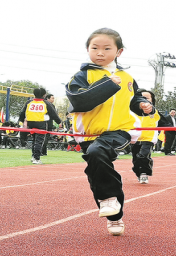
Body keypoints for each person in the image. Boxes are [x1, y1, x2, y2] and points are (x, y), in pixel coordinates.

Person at [66, 28, 153, 236]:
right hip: (89, 133)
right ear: (87, 49)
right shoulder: (82, 75)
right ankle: (115, 215)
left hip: (119, 130)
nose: (100, 53)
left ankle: (109, 201)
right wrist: (107, 85)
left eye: (107, 48)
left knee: (98, 153)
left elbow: (133, 99)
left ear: (119, 52)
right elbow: (79, 100)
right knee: (95, 169)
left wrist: (142, 105)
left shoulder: (127, 77)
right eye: (94, 48)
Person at [19, 88, 60, 165]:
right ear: (44, 95)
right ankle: (36, 158)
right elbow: (53, 114)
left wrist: (21, 120)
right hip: (41, 123)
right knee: (39, 141)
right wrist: (59, 122)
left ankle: (33, 156)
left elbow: (22, 112)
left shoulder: (29, 102)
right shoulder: (46, 103)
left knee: (34, 139)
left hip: (30, 123)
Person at [131, 89, 164, 184]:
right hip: (135, 138)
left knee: (143, 156)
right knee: (136, 158)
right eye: (141, 98)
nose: (144, 100)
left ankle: (144, 173)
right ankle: (138, 172)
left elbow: (164, 121)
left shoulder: (154, 112)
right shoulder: (132, 111)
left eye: (146, 98)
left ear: (152, 100)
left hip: (148, 138)